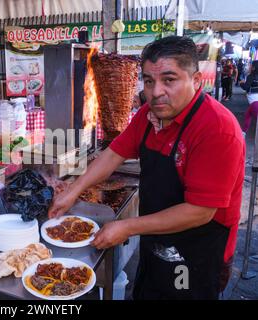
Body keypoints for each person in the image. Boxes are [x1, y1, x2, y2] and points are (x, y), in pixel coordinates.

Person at [48, 36, 245, 300]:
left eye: (169, 80)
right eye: (149, 81)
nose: (156, 92)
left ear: (196, 80)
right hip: (157, 237)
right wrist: (74, 190)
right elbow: (113, 154)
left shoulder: (217, 130)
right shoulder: (148, 115)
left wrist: (128, 226)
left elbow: (200, 212)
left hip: (198, 250)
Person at [240, 60, 258, 134]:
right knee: (248, 115)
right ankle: (243, 132)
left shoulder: (251, 76)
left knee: (249, 115)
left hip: (254, 102)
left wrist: (241, 83)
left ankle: (243, 133)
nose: (249, 66)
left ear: (253, 67)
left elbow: (246, 87)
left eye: (251, 65)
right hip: (254, 101)